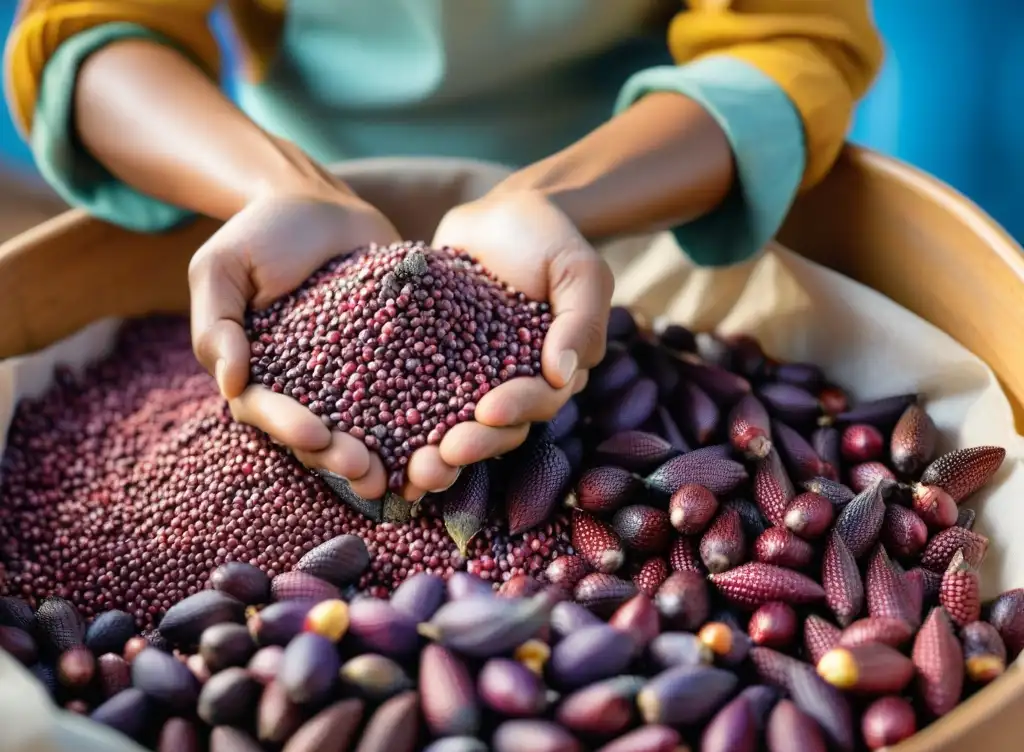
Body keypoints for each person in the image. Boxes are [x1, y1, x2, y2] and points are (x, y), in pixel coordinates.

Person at [5, 0, 881, 503]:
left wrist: (557, 200)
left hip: (639, 205)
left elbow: (792, 39)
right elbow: (94, 29)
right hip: (283, 188)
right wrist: (276, 188)